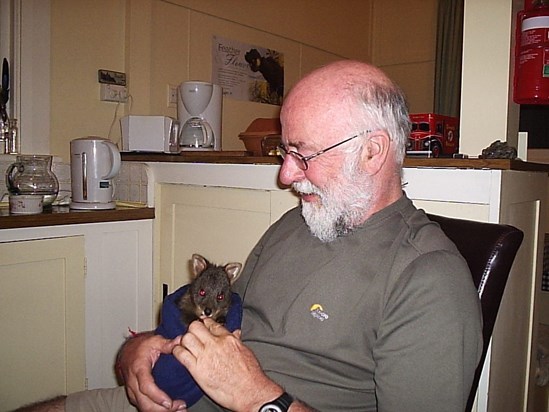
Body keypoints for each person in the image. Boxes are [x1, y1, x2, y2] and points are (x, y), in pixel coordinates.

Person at [23, 60, 482, 412]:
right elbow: (217, 319)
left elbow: (245, 384)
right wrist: (139, 348)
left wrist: (258, 397)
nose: (285, 176)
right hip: (181, 394)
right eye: (286, 150)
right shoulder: (297, 223)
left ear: (372, 152)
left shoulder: (428, 279)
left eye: (303, 154)